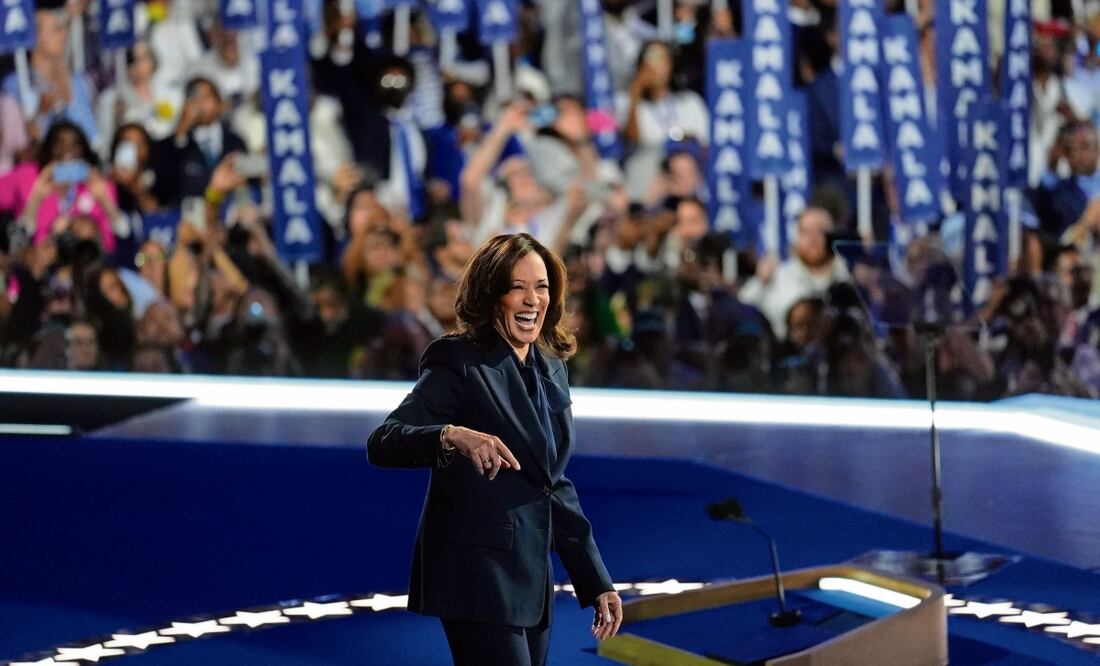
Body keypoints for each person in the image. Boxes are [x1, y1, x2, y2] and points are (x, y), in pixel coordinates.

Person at [367, 233, 622, 666]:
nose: (532, 299)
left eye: (541, 286)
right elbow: (384, 441)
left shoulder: (551, 368)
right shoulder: (461, 361)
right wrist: (450, 435)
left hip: (531, 580)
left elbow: (551, 483)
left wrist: (595, 579)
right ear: (491, 295)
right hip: (476, 574)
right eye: (516, 287)